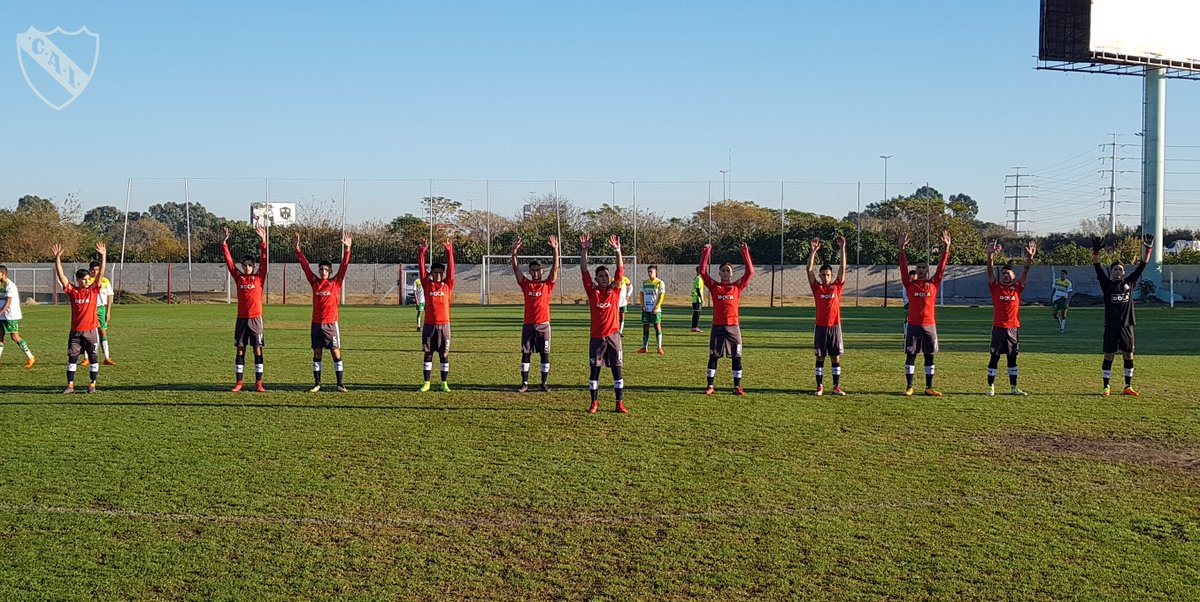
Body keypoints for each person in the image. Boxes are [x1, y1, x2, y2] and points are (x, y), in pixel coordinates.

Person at [1093, 234, 1153, 396]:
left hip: (1127, 325)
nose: (1118, 272)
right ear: (1111, 272)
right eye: (1115, 269)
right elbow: (1097, 267)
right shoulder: (1106, 284)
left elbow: (1143, 265)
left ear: (1124, 272)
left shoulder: (1129, 283)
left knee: (1128, 354)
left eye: (1120, 269)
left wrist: (1148, 249)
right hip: (1111, 326)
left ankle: (1128, 386)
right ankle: (1106, 387)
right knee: (1109, 355)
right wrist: (1096, 252)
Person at [295, 232, 352, 393]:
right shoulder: (314, 282)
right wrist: (298, 250)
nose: (323, 271)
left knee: (335, 352)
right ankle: (317, 383)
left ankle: (340, 383)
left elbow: (344, 266)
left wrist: (347, 249)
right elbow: (305, 267)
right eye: (321, 269)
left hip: (330, 323)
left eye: (326, 269)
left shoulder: (336, 282)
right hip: (316, 324)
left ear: (330, 271)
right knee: (317, 353)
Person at [899, 230, 951, 396]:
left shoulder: (933, 284)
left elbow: (942, 268)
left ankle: (929, 387)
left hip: (929, 325)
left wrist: (946, 248)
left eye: (923, 268)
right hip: (913, 325)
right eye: (919, 268)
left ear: (927, 270)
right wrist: (901, 250)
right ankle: (909, 386)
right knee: (911, 355)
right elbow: (902, 267)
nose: (921, 270)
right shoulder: (910, 284)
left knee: (929, 356)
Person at [580, 232, 627, 414]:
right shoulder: (593, 292)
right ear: (596, 278)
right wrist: (584, 251)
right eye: (601, 276)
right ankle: (594, 403)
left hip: (613, 336)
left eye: (606, 276)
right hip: (597, 338)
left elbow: (620, 270)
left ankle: (619, 402)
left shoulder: (615, 291)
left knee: (617, 371)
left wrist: (618, 251)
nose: (604, 278)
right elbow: (584, 271)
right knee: (595, 372)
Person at [698, 242, 754, 395]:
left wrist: (745, 252)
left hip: (733, 327)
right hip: (717, 327)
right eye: (722, 270)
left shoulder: (737, 286)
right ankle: (710, 385)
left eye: (727, 270)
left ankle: (737, 386)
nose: (725, 273)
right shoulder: (714, 286)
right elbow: (702, 271)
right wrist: (706, 251)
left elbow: (750, 272)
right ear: (719, 273)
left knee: (737, 356)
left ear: (731, 274)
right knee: (713, 356)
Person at [52, 242, 106, 394]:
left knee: (94, 358)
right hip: (75, 331)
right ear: (78, 280)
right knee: (72, 358)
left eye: (89, 279)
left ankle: (92, 385)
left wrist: (103, 256)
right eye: (84, 279)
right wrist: (57, 258)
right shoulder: (72, 291)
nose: (87, 281)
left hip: (91, 330)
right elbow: (61, 275)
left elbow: (101, 273)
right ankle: (70, 385)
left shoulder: (94, 290)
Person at [985, 240, 1035, 397]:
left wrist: (1029, 257)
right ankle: (991, 387)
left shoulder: (1017, 288)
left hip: (1013, 328)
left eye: (1009, 274)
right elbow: (990, 271)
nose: (1006, 276)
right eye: (1004, 273)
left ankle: (1014, 388)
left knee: (1012, 358)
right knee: (995, 357)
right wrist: (990, 255)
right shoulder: (995, 287)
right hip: (998, 328)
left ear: (1014, 277)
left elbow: (1026, 270)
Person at [222, 225, 268, 392]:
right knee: (240, 351)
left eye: (250, 265)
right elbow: (229, 263)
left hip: (256, 319)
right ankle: (239, 383)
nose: (247, 267)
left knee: (257, 350)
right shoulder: (239, 278)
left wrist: (263, 241)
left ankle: (259, 383)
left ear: (254, 266)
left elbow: (265, 261)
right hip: (241, 320)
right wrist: (224, 243)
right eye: (245, 265)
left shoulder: (259, 278)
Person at [510, 235, 559, 392]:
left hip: (544, 325)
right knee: (526, 353)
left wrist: (555, 249)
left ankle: (544, 383)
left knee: (545, 354)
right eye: (534, 270)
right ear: (530, 272)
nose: (536, 273)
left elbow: (555, 268)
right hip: (529, 325)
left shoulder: (547, 284)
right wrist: (514, 252)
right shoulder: (526, 284)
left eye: (539, 270)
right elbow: (516, 269)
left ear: (542, 271)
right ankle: (525, 383)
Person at [807, 235, 847, 396]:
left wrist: (842, 248)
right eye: (822, 274)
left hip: (835, 327)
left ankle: (836, 386)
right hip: (821, 328)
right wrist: (813, 252)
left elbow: (843, 269)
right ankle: (819, 386)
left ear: (831, 275)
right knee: (820, 357)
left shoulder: (837, 287)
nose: (825, 277)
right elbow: (809, 270)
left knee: (835, 357)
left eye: (827, 274)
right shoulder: (817, 288)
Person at [417, 240, 455, 392]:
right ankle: (427, 382)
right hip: (429, 325)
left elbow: (452, 269)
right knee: (428, 353)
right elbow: (421, 269)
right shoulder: (427, 284)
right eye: (435, 272)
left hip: (444, 325)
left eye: (441, 272)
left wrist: (449, 252)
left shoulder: (448, 285)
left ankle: (444, 383)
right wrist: (422, 253)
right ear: (431, 274)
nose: (438, 275)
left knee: (444, 354)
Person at [80, 259, 116, 366]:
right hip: (90, 309)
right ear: (89, 270)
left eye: (97, 269)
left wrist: (108, 311)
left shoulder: (105, 281)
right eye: (93, 270)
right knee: (88, 333)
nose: (95, 272)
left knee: (102, 332)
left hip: (101, 309)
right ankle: (86, 358)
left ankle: (106, 357)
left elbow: (110, 296)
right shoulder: (88, 281)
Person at [0, 265, 36, 368]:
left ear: (3, 274)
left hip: (10, 315)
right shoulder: (1, 284)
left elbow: (8, 302)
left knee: (14, 336)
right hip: (2, 315)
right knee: (0, 337)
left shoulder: (9, 285)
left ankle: (30, 357)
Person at [638, 265, 666, 354]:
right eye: (648, 271)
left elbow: (661, 296)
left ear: (655, 272)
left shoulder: (660, 283)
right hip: (646, 309)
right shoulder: (645, 283)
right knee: (645, 327)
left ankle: (659, 348)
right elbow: (641, 294)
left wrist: (657, 307)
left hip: (655, 309)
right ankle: (644, 347)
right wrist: (642, 305)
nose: (650, 273)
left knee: (657, 327)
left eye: (651, 271)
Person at [690, 266, 705, 332]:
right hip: (697, 299)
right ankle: (695, 327)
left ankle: (694, 327)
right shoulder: (699, 278)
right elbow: (698, 289)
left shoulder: (696, 278)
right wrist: (701, 299)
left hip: (695, 298)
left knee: (695, 313)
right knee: (697, 313)